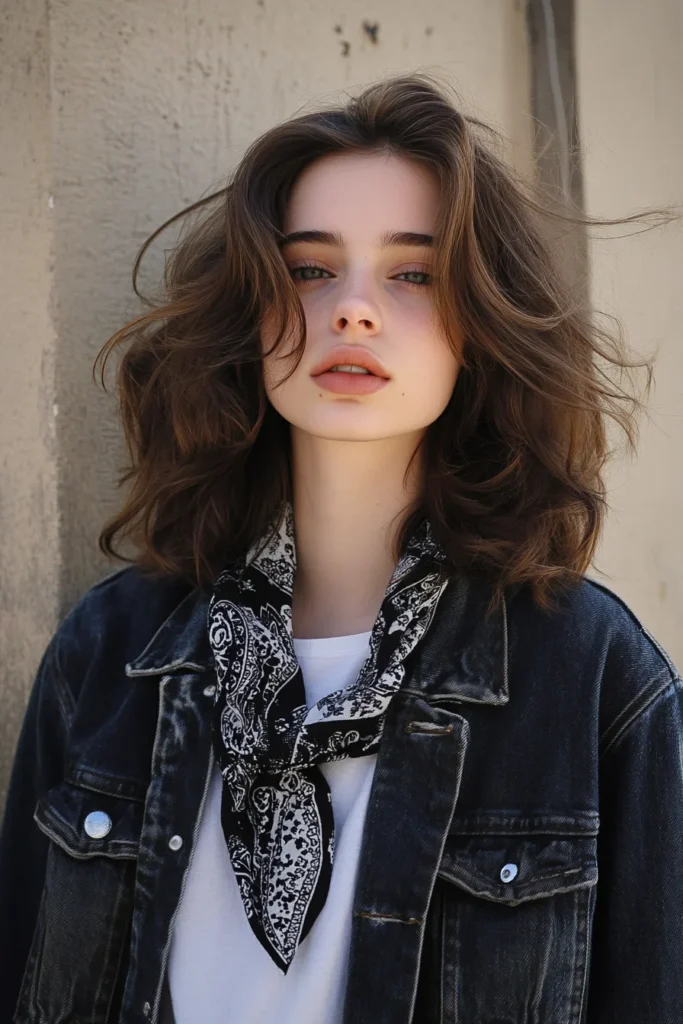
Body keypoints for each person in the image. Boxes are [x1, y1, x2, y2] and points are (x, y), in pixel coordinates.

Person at [1, 71, 681, 1024]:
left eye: (413, 274)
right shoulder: (110, 654)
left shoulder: (590, 676)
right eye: (310, 269)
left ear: (477, 328)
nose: (353, 309)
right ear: (252, 309)